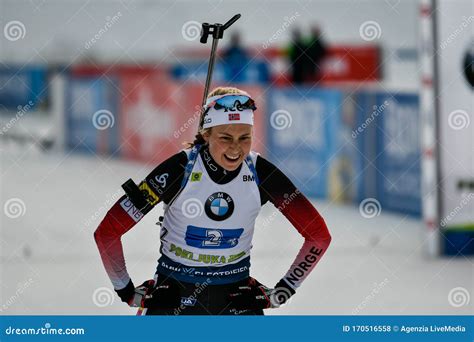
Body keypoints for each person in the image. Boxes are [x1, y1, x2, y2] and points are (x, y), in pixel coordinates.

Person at [94, 86, 332, 315]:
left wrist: (281, 293)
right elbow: (108, 231)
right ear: (206, 134)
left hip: (235, 300)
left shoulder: (261, 173)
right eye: (225, 137)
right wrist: (127, 291)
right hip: (173, 297)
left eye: (244, 137)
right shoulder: (179, 169)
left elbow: (318, 236)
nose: (235, 148)